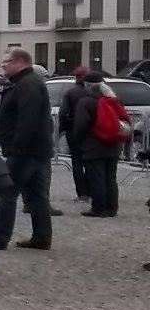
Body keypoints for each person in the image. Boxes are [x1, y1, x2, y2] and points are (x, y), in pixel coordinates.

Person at [0, 48, 53, 251]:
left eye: (6, 61)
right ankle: (41, 237)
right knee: (36, 194)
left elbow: (28, 119)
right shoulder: (25, 83)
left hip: (26, 151)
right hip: (34, 149)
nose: (3, 65)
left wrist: (17, 147)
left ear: (20, 62)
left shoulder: (28, 85)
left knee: (7, 191)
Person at [71, 70, 125, 218]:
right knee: (110, 178)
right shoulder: (114, 99)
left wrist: (80, 141)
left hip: (93, 144)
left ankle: (99, 208)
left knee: (96, 177)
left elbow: (80, 125)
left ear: (87, 86)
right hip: (113, 144)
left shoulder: (86, 101)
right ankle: (112, 208)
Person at [56, 66, 91, 203]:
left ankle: (82, 193)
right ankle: (92, 190)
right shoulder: (93, 93)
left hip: (73, 130)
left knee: (77, 162)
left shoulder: (70, 93)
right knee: (90, 162)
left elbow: (63, 113)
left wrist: (64, 127)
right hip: (91, 131)